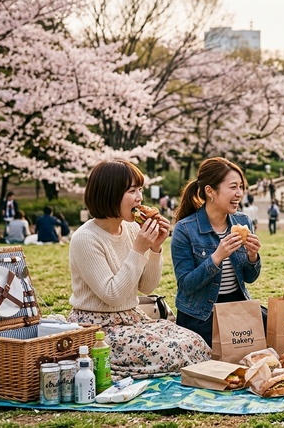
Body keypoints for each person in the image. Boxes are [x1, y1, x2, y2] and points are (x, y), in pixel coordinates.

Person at [67, 160, 210, 379]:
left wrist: (154, 248)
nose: (139, 198)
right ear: (109, 193)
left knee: (194, 341)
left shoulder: (133, 228)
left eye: (140, 189)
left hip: (132, 319)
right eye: (132, 191)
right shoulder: (85, 239)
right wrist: (138, 249)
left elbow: (147, 287)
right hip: (97, 328)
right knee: (172, 352)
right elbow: (113, 295)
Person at [171, 157, 264, 348]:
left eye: (241, 187)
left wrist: (252, 257)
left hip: (236, 305)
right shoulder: (185, 229)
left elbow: (250, 278)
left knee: (273, 329)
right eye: (233, 187)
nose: (239, 193)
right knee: (221, 350)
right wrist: (216, 258)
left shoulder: (243, 222)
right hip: (200, 313)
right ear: (210, 191)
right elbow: (186, 285)